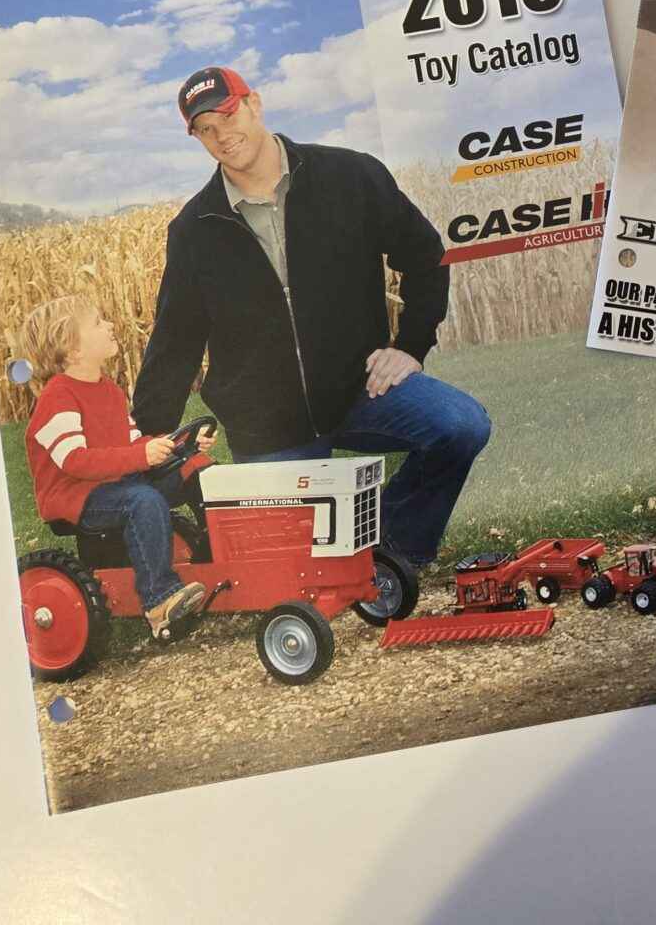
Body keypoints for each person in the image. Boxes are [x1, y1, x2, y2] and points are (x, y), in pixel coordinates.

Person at [132, 66, 490, 570]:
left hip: (359, 391)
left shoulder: (349, 176)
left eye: (228, 116)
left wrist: (410, 346)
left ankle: (394, 550)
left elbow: (426, 255)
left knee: (460, 425)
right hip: (268, 427)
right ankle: (346, 553)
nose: (221, 135)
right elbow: (176, 340)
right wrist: (146, 436)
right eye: (205, 129)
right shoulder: (194, 229)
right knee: (291, 576)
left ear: (254, 104)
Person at [18, 294, 210, 638]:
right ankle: (159, 602)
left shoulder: (109, 391)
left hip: (117, 483)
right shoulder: (58, 397)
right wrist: (141, 456)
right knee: (143, 500)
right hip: (78, 497)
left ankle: (215, 557)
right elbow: (75, 461)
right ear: (73, 350)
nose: (109, 326)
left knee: (195, 467)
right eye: (97, 323)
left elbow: (132, 442)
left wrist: (176, 445)